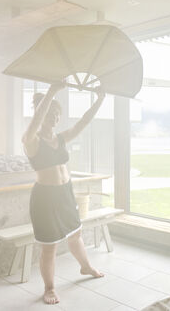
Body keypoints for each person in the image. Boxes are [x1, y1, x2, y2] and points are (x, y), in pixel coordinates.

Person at [22, 84, 106, 304]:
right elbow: (34, 124)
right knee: (49, 247)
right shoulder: (31, 140)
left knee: (75, 234)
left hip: (65, 193)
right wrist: (51, 93)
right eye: (51, 113)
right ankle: (49, 289)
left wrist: (99, 99)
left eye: (58, 114)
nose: (55, 118)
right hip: (45, 198)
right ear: (42, 114)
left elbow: (83, 122)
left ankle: (85, 267)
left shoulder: (60, 139)